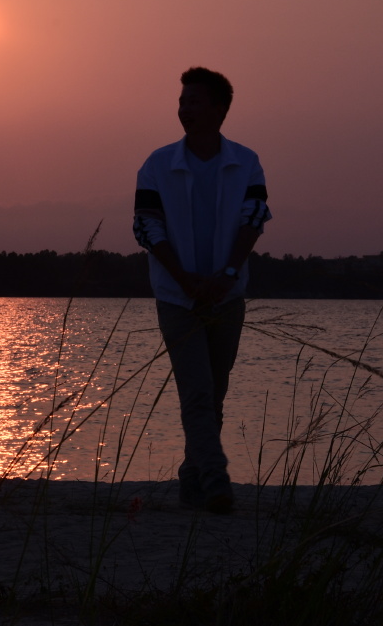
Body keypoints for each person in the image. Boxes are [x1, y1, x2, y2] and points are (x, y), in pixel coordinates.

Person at [133, 67, 271, 515]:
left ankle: (192, 479)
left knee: (214, 393)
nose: (184, 109)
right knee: (196, 391)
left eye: (194, 101)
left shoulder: (245, 161)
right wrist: (185, 279)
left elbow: (255, 218)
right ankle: (216, 483)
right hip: (177, 298)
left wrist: (227, 274)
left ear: (220, 109)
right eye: (182, 102)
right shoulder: (157, 164)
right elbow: (146, 226)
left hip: (227, 295)